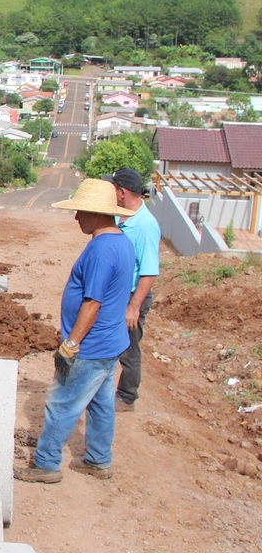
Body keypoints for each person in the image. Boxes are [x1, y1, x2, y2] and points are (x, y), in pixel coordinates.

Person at [14, 178, 136, 483]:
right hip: (111, 342)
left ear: (96, 213)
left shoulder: (101, 250)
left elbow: (92, 303)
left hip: (90, 347)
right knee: (101, 403)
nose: (76, 217)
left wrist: (71, 343)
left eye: (81, 211)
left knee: (61, 403)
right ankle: (97, 459)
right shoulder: (121, 241)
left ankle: (46, 464)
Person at [103, 167, 161, 412]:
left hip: (132, 296)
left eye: (114, 189)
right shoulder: (120, 217)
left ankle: (127, 397)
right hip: (118, 294)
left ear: (123, 192)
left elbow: (149, 271)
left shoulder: (146, 226)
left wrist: (133, 307)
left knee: (128, 347)